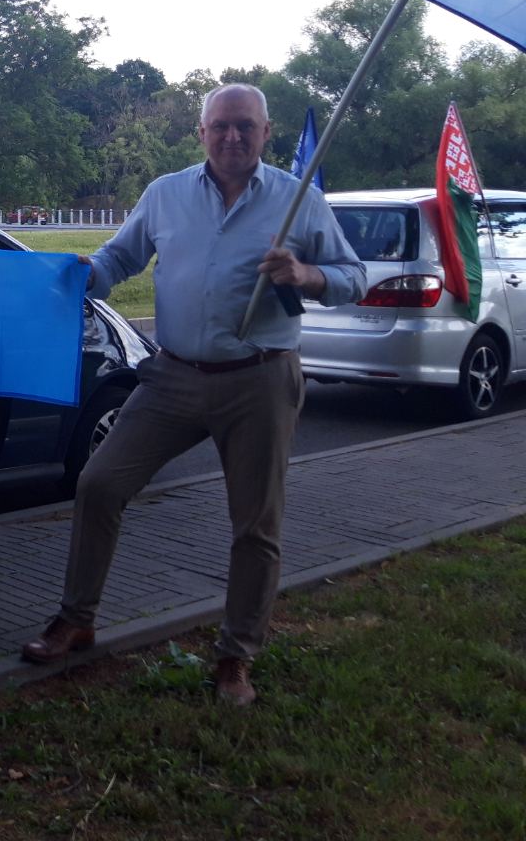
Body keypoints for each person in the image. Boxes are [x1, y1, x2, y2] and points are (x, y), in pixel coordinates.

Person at [20, 84, 366, 706]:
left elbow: (353, 278)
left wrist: (306, 274)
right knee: (99, 484)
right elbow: (118, 259)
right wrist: (79, 274)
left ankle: (237, 655)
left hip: (260, 378)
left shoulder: (298, 200)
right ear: (201, 132)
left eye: (245, 126)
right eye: (221, 126)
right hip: (173, 376)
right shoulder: (165, 194)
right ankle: (77, 617)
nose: (232, 137)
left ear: (266, 132)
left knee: (255, 525)